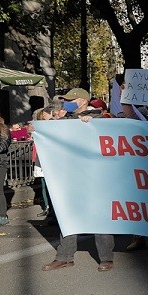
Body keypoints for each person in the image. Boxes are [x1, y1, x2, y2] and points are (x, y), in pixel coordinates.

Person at [41, 106, 116, 272]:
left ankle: (106, 258)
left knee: (99, 218)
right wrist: (37, 128)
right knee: (68, 217)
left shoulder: (100, 118)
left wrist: (92, 122)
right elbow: (51, 130)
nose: (66, 104)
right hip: (73, 177)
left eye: (71, 100)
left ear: (82, 101)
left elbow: (111, 128)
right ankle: (64, 257)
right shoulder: (67, 121)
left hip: (97, 177)